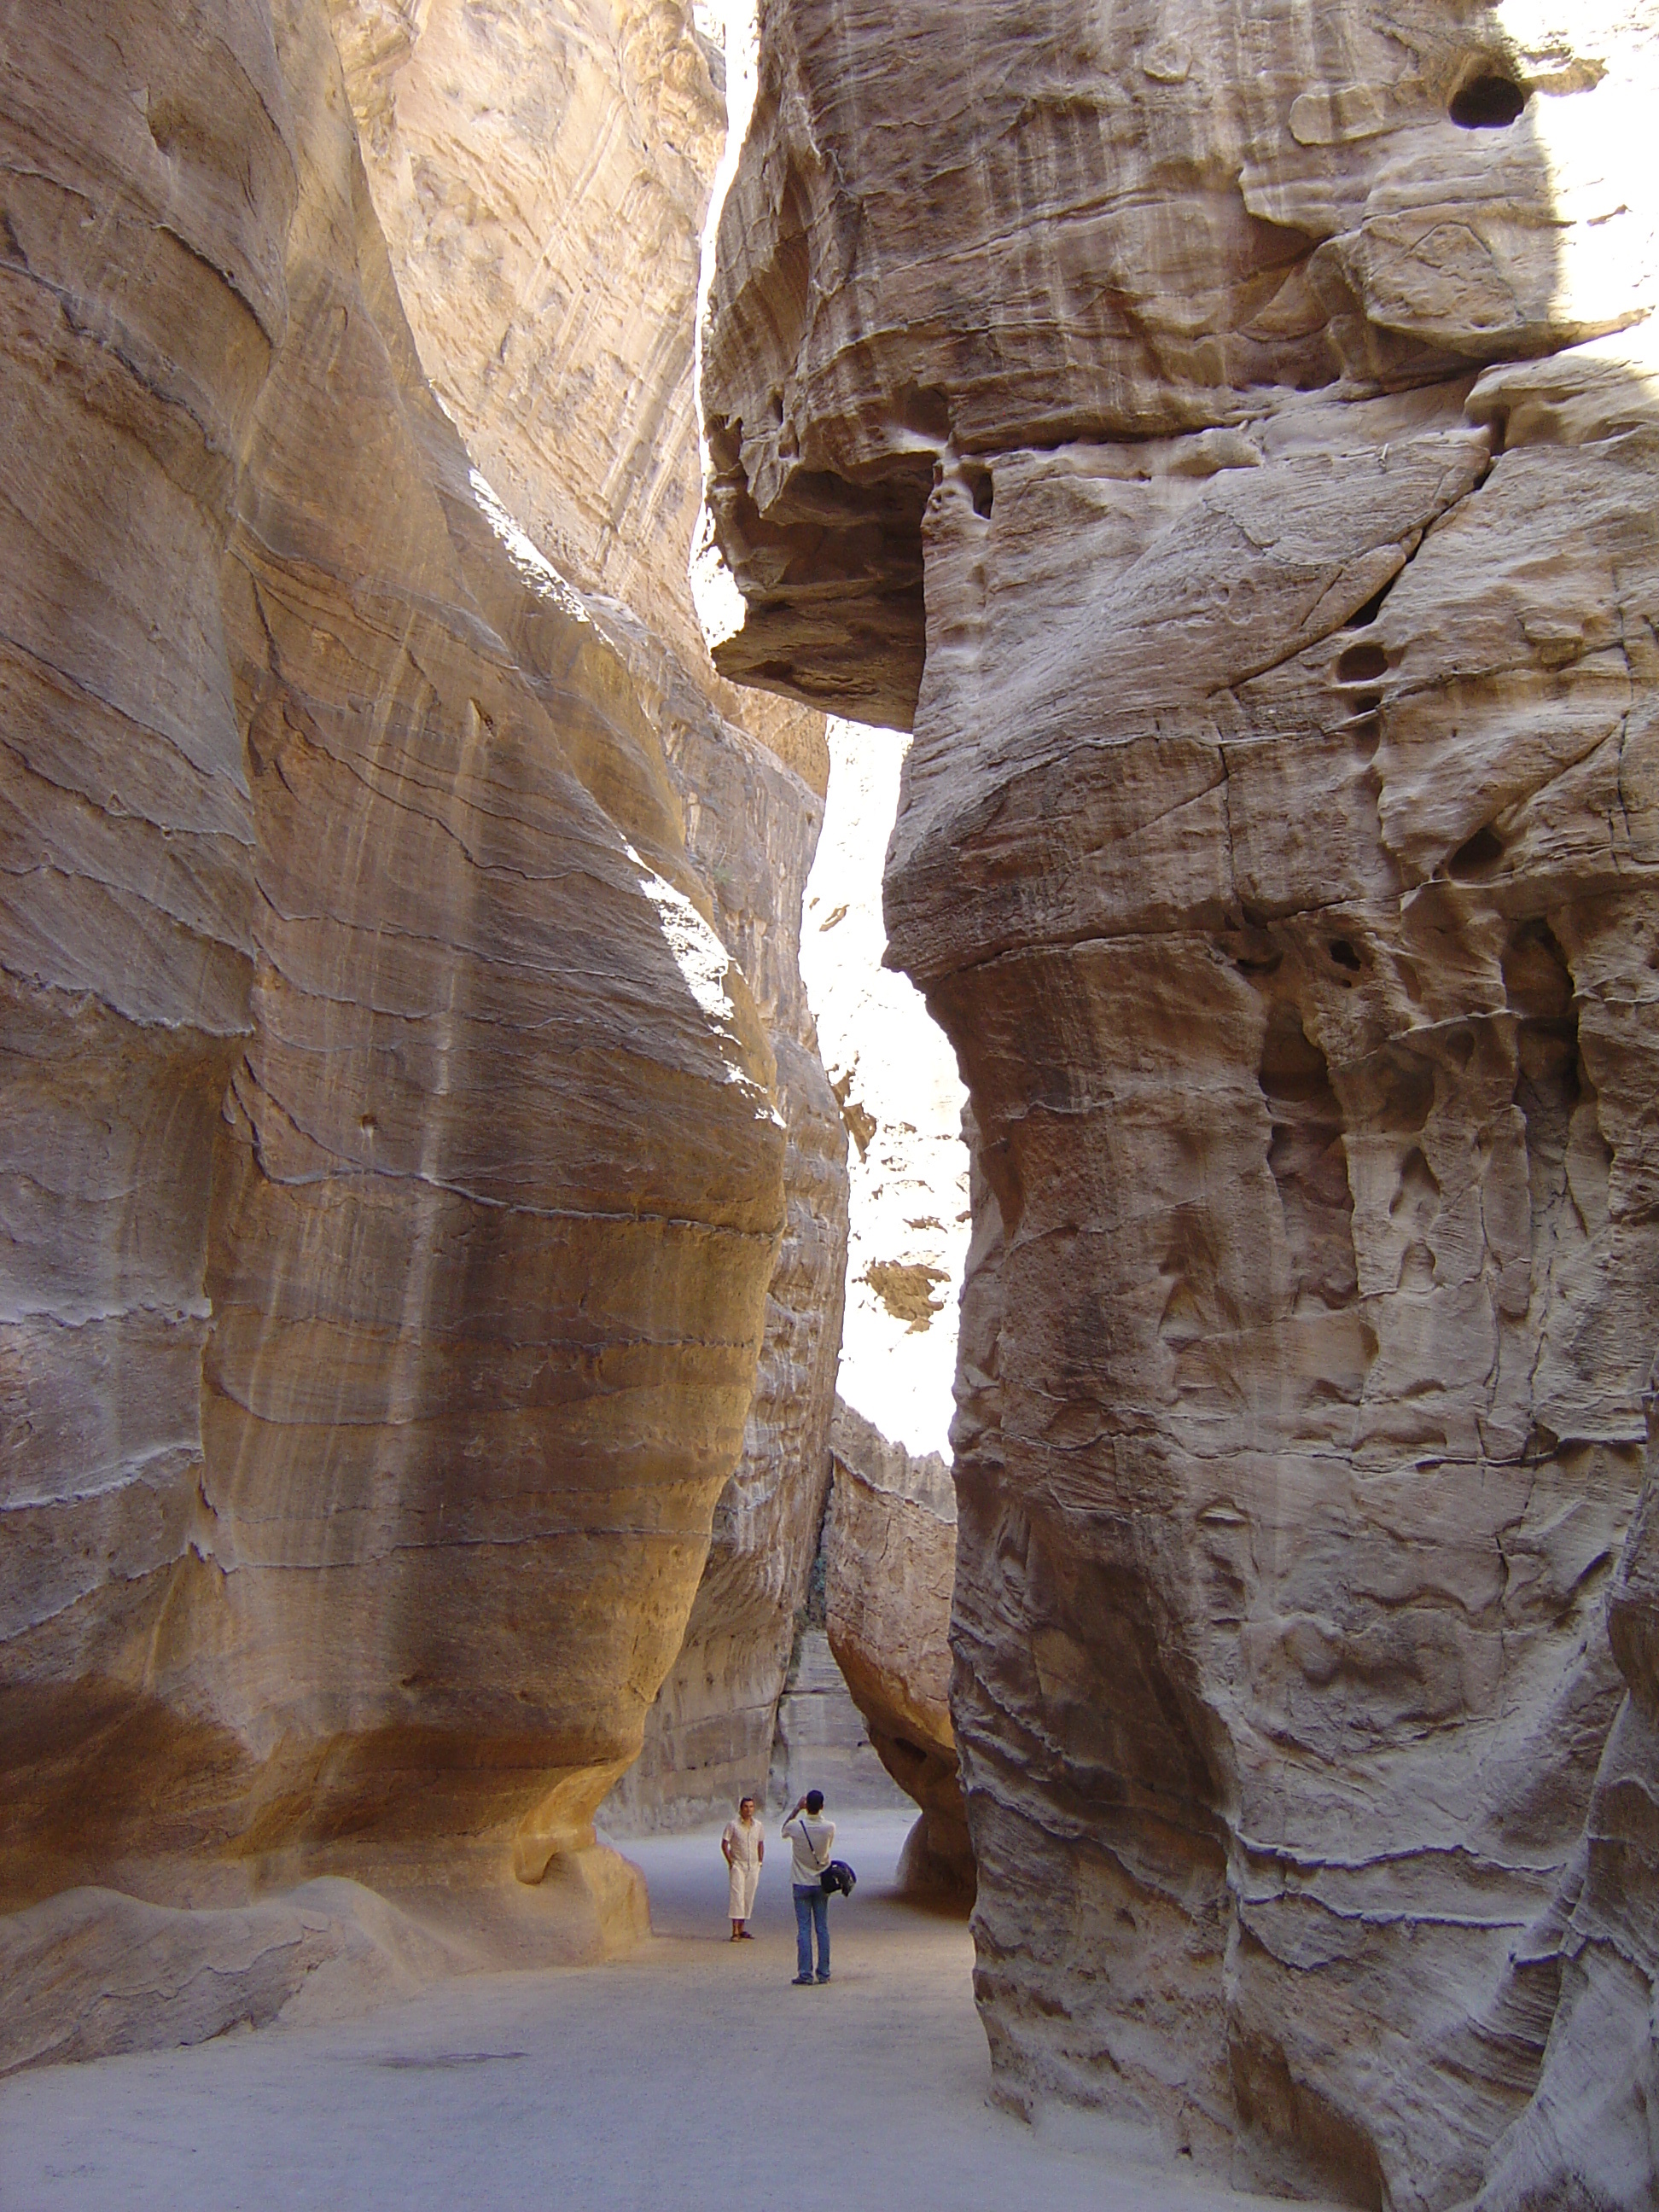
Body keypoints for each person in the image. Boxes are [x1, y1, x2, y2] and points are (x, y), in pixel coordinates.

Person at [781, 1788, 835, 1984]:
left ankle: (805, 1973)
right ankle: (824, 1972)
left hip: (800, 1881)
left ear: (806, 1806)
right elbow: (828, 1846)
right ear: (822, 1807)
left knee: (803, 1929)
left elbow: (783, 1830)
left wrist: (797, 1808)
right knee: (822, 1927)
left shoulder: (796, 1827)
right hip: (821, 1882)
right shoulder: (829, 1827)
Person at [721, 1795, 764, 1940]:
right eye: (746, 1807)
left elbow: (760, 1843)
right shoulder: (733, 1825)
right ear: (740, 1809)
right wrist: (731, 1862)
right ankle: (734, 1930)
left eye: (751, 1807)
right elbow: (724, 1844)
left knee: (748, 1896)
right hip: (738, 1865)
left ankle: (742, 1928)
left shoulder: (758, 1825)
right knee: (737, 1896)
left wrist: (760, 1862)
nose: (749, 1810)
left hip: (753, 1865)